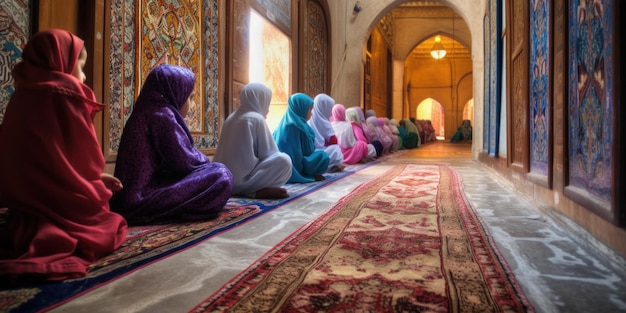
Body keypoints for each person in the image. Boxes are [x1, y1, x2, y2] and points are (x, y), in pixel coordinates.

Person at [0, 29, 128, 282]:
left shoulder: (23, 93)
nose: (84, 75)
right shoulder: (67, 93)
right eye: (80, 66)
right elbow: (87, 159)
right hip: (58, 199)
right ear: (62, 63)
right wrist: (93, 178)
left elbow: (47, 157)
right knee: (112, 222)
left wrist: (92, 177)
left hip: (19, 197)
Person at [111, 64, 233, 225]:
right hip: (139, 200)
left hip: (128, 197)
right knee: (221, 175)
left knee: (216, 173)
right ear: (176, 93)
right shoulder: (162, 116)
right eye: (190, 97)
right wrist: (205, 161)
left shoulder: (147, 111)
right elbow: (185, 162)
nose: (191, 105)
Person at [213, 83, 291, 199]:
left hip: (222, 179)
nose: (268, 109)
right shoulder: (256, 119)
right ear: (259, 100)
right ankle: (251, 191)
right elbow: (269, 154)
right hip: (245, 181)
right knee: (285, 161)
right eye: (267, 103)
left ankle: (244, 191)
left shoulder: (230, 118)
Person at [273, 93, 330, 183]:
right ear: (301, 108)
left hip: (294, 163)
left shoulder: (297, 124)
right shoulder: (292, 127)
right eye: (310, 109)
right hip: (291, 165)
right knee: (323, 156)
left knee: (322, 155)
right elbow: (295, 157)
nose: (311, 113)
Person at [307, 94, 345, 172]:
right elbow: (334, 141)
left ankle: (325, 167)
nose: (330, 112)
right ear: (324, 108)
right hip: (317, 155)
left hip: (310, 156)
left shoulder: (308, 119)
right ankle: (329, 167)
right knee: (336, 150)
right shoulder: (325, 122)